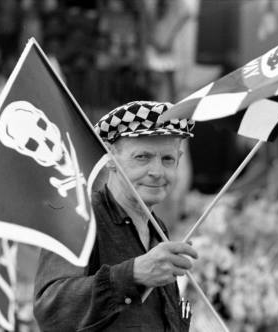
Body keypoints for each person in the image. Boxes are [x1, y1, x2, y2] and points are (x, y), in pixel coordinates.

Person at [33, 101, 198, 331]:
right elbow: (50, 309)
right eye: (142, 157)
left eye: (167, 159)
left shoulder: (157, 230)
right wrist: (132, 274)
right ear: (110, 158)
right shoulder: (81, 215)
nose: (157, 172)